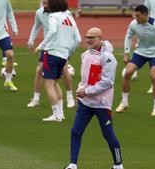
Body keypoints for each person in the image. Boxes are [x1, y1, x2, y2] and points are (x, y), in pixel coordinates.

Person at [65, 28, 124, 169]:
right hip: (85, 102)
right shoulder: (85, 55)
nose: (89, 40)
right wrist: (81, 90)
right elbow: (86, 79)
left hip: (102, 104)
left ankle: (118, 165)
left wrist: (87, 91)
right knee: (75, 131)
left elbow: (107, 82)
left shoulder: (108, 58)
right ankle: (73, 165)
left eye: (92, 37)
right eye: (87, 37)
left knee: (108, 134)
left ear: (100, 38)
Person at [115, 4, 155, 116]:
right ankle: (124, 102)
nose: (136, 18)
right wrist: (126, 53)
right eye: (135, 15)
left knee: (154, 76)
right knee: (127, 73)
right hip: (140, 51)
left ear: (145, 15)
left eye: (138, 16)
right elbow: (128, 36)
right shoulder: (134, 24)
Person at [35, 0, 81, 122]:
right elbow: (78, 39)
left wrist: (42, 45)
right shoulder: (69, 17)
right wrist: (69, 53)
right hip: (63, 56)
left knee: (49, 84)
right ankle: (60, 113)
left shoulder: (53, 16)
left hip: (52, 53)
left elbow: (52, 31)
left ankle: (56, 115)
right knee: (55, 83)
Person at [27, 0, 75, 108]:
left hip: (61, 46)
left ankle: (70, 97)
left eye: (46, 3)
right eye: (43, 2)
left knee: (64, 69)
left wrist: (70, 48)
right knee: (39, 70)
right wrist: (31, 41)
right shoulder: (39, 13)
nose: (44, 5)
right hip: (48, 46)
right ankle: (36, 98)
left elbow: (72, 30)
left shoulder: (64, 13)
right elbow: (36, 26)